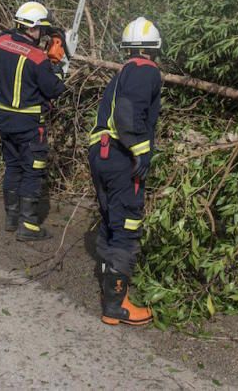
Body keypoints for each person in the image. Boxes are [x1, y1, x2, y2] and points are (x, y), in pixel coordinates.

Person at [88, 17, 162, 326]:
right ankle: (116, 306)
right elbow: (127, 113)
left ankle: (111, 292)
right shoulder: (146, 71)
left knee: (111, 219)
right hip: (121, 155)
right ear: (153, 51)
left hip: (101, 152)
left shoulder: (124, 72)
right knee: (128, 224)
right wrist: (141, 150)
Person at [0, 1, 68, 241]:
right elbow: (55, 88)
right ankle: (29, 227)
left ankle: (11, 218)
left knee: (12, 167)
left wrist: (51, 38)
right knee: (32, 171)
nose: (43, 34)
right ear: (33, 28)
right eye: (42, 30)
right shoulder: (37, 59)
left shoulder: (1, 43)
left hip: (5, 119)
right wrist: (58, 67)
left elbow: (15, 44)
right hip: (28, 124)